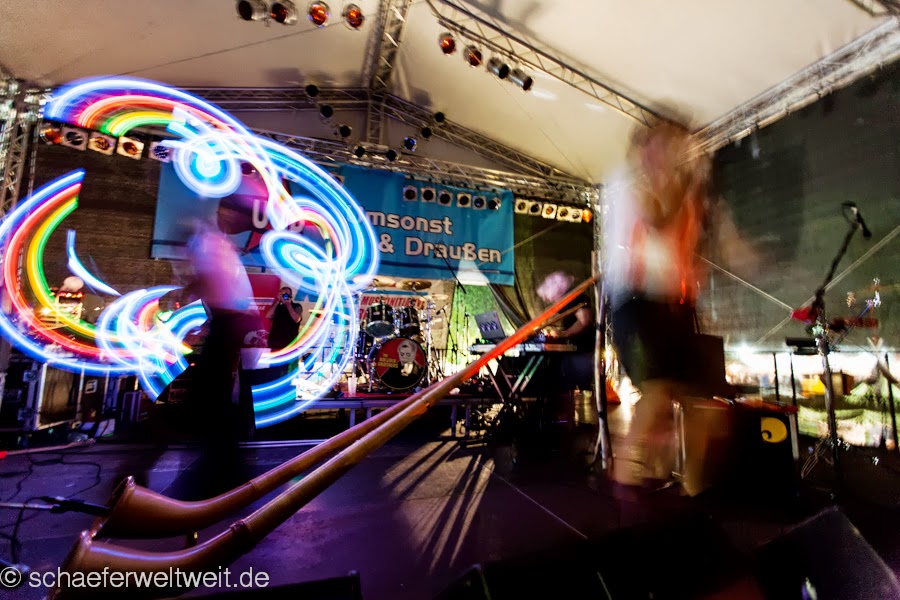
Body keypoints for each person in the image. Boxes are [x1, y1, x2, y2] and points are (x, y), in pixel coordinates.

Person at [603, 120, 755, 492]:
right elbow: (658, 219)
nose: (675, 152)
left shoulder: (690, 192)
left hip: (675, 307)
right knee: (656, 395)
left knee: (699, 403)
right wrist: (692, 182)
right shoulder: (630, 183)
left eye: (678, 144)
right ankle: (623, 493)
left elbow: (708, 247)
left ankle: (691, 494)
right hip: (636, 303)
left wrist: (745, 257)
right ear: (645, 150)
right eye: (665, 144)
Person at [182, 217, 265, 497]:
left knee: (214, 393)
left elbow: (215, 290)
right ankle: (223, 468)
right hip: (232, 325)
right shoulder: (216, 247)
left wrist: (190, 290)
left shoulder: (209, 246)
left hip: (234, 325)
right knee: (216, 394)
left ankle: (222, 473)